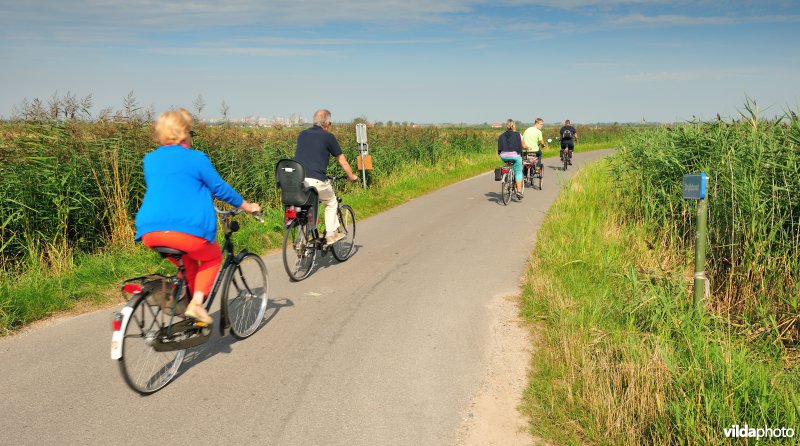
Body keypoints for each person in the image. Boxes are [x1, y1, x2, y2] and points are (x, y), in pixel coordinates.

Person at [135, 108, 261, 325]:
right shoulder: (196, 158)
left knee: (190, 263)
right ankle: (196, 304)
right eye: (190, 131)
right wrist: (247, 206)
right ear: (184, 133)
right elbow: (220, 189)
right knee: (212, 257)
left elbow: (171, 190)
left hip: (150, 231)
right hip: (185, 232)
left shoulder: (150, 159)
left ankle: (191, 316)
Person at [294, 109, 358, 244]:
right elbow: (342, 160)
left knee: (308, 205)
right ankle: (330, 234)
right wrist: (351, 176)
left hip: (298, 180)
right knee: (331, 202)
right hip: (316, 180)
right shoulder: (328, 136)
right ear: (327, 123)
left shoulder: (302, 134)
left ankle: (302, 238)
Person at [497, 119, 524, 198]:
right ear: (513, 126)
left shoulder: (501, 136)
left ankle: (506, 178)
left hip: (504, 156)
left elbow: (500, 148)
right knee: (518, 172)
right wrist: (528, 147)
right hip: (515, 156)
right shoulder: (518, 135)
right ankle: (519, 191)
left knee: (508, 164)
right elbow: (524, 145)